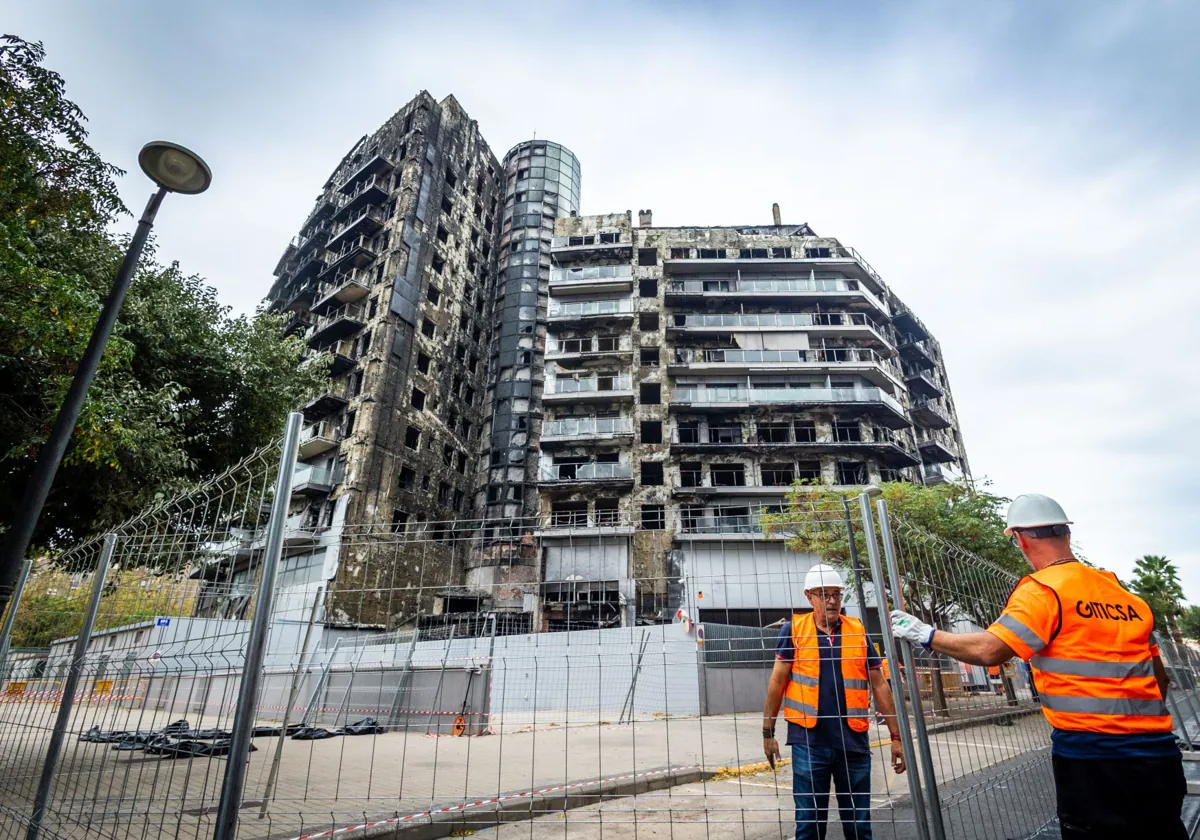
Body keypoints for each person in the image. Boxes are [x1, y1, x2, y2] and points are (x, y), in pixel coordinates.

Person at [889, 493, 1186, 839]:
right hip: (1158, 754)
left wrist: (925, 634)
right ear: (1066, 535)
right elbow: (1158, 678)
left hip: (1091, 758)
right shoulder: (1124, 595)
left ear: (1021, 539)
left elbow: (990, 650)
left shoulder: (1043, 590)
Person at [763, 563, 906, 840]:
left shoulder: (858, 631)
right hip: (808, 743)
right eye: (823, 594)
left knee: (858, 825)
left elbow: (879, 684)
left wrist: (896, 736)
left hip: (853, 743)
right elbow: (776, 683)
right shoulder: (793, 630)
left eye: (836, 595)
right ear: (809, 597)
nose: (831, 601)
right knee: (809, 825)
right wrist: (767, 733)